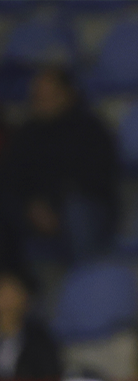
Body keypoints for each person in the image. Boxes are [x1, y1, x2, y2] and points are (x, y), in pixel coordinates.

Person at [0, 66, 119, 283]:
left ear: (68, 95)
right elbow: (12, 179)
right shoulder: (26, 134)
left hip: (84, 210)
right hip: (36, 213)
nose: (41, 101)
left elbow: (96, 180)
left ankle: (87, 286)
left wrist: (55, 205)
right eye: (37, 96)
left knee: (78, 211)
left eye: (49, 95)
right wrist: (32, 206)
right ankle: (24, 295)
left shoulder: (90, 129)